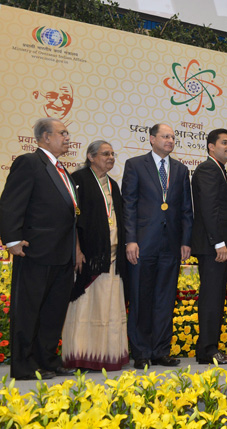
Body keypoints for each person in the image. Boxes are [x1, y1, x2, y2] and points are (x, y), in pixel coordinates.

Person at [0, 118, 77, 380]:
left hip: (62, 253)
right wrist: (11, 240)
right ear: (45, 137)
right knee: (29, 311)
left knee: (53, 312)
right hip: (35, 251)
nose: (67, 137)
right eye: (62, 133)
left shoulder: (61, 169)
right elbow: (11, 202)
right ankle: (23, 366)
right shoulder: (30, 163)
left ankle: (48, 360)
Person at [122, 123, 193, 370]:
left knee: (165, 299)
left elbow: (186, 209)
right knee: (141, 298)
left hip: (171, 245)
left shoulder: (181, 169)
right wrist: (130, 240)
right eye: (165, 136)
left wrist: (186, 241)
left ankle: (161, 351)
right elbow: (128, 205)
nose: (170, 140)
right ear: (152, 139)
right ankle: (141, 352)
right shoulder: (134, 165)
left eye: (173, 137)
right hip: (142, 244)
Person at [61, 141, 129, 370]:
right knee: (85, 308)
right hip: (89, 257)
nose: (111, 157)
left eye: (112, 153)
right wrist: (77, 250)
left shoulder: (113, 184)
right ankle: (81, 356)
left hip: (112, 257)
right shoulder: (77, 180)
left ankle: (107, 356)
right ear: (90, 156)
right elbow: (72, 220)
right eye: (105, 154)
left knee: (109, 308)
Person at [191, 128, 227, 365]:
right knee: (211, 298)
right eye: (224, 143)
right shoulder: (209, 169)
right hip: (213, 247)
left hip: (216, 245)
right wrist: (218, 242)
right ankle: (209, 351)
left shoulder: (219, 170)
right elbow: (209, 208)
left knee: (216, 297)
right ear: (211, 146)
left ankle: (209, 349)